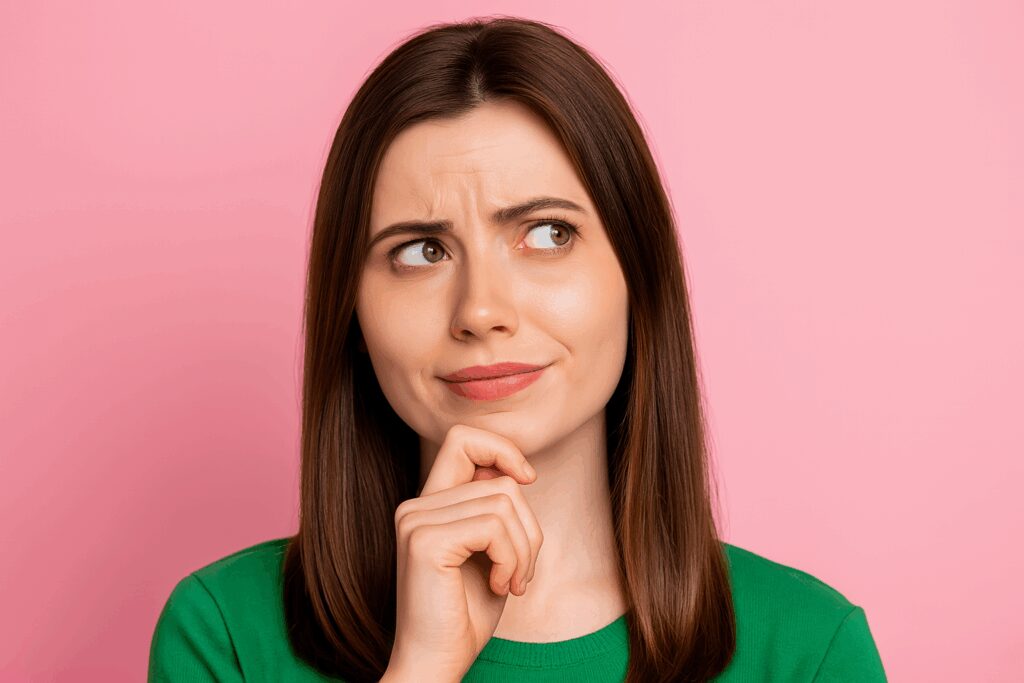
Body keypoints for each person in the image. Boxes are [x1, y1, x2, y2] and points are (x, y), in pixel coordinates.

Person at [148, 16, 887, 683]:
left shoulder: (807, 651)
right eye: (421, 250)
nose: (481, 310)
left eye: (547, 234)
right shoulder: (226, 638)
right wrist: (421, 669)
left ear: (639, 273)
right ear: (352, 310)